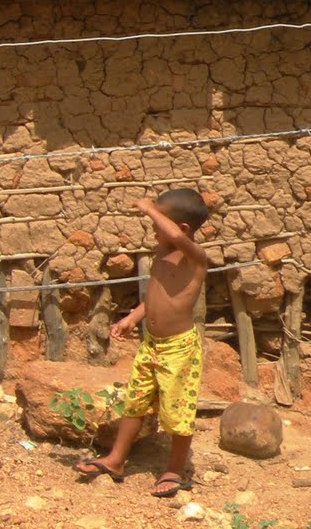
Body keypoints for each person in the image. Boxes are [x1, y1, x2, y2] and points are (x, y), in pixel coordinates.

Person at [75, 188, 211, 499]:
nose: (152, 225)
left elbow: (176, 237)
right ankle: (116, 460)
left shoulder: (196, 258)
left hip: (179, 349)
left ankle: (175, 469)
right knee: (135, 402)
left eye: (159, 220)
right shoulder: (161, 256)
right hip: (152, 345)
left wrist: (150, 208)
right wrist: (133, 318)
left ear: (182, 228)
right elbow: (156, 296)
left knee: (178, 409)